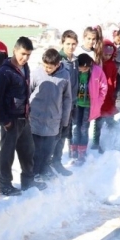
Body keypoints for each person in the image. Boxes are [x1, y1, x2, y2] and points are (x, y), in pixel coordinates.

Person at [0, 36, 43, 194]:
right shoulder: (4, 72)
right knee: (7, 154)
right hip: (10, 119)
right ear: (14, 50)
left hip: (24, 117)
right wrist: (4, 121)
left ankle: (28, 181)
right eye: (22, 54)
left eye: (28, 54)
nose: (25, 58)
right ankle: (5, 184)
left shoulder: (26, 67)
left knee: (28, 151)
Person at [30, 48, 72, 178]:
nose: (46, 69)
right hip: (35, 119)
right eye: (45, 66)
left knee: (48, 150)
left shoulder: (64, 76)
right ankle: (34, 173)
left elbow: (67, 99)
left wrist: (64, 122)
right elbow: (28, 92)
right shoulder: (36, 73)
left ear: (58, 65)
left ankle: (44, 170)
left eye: (50, 67)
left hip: (53, 120)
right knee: (35, 150)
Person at [50, 30, 78, 175]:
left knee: (64, 133)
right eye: (68, 44)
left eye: (73, 44)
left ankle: (57, 161)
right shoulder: (57, 59)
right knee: (54, 134)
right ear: (62, 43)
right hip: (57, 104)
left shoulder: (75, 61)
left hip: (70, 103)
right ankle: (47, 162)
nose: (71, 47)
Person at [70, 54, 107, 164]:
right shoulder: (75, 71)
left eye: (85, 68)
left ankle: (82, 151)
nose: (83, 70)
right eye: (81, 68)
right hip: (77, 104)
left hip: (88, 105)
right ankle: (74, 150)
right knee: (75, 127)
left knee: (84, 129)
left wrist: (98, 101)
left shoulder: (97, 71)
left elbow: (103, 87)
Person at [93, 40, 119, 152]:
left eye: (109, 54)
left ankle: (114, 138)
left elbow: (114, 80)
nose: (107, 56)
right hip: (99, 98)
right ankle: (95, 142)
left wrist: (113, 93)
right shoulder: (98, 64)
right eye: (105, 54)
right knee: (98, 122)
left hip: (109, 97)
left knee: (110, 120)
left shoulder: (112, 65)